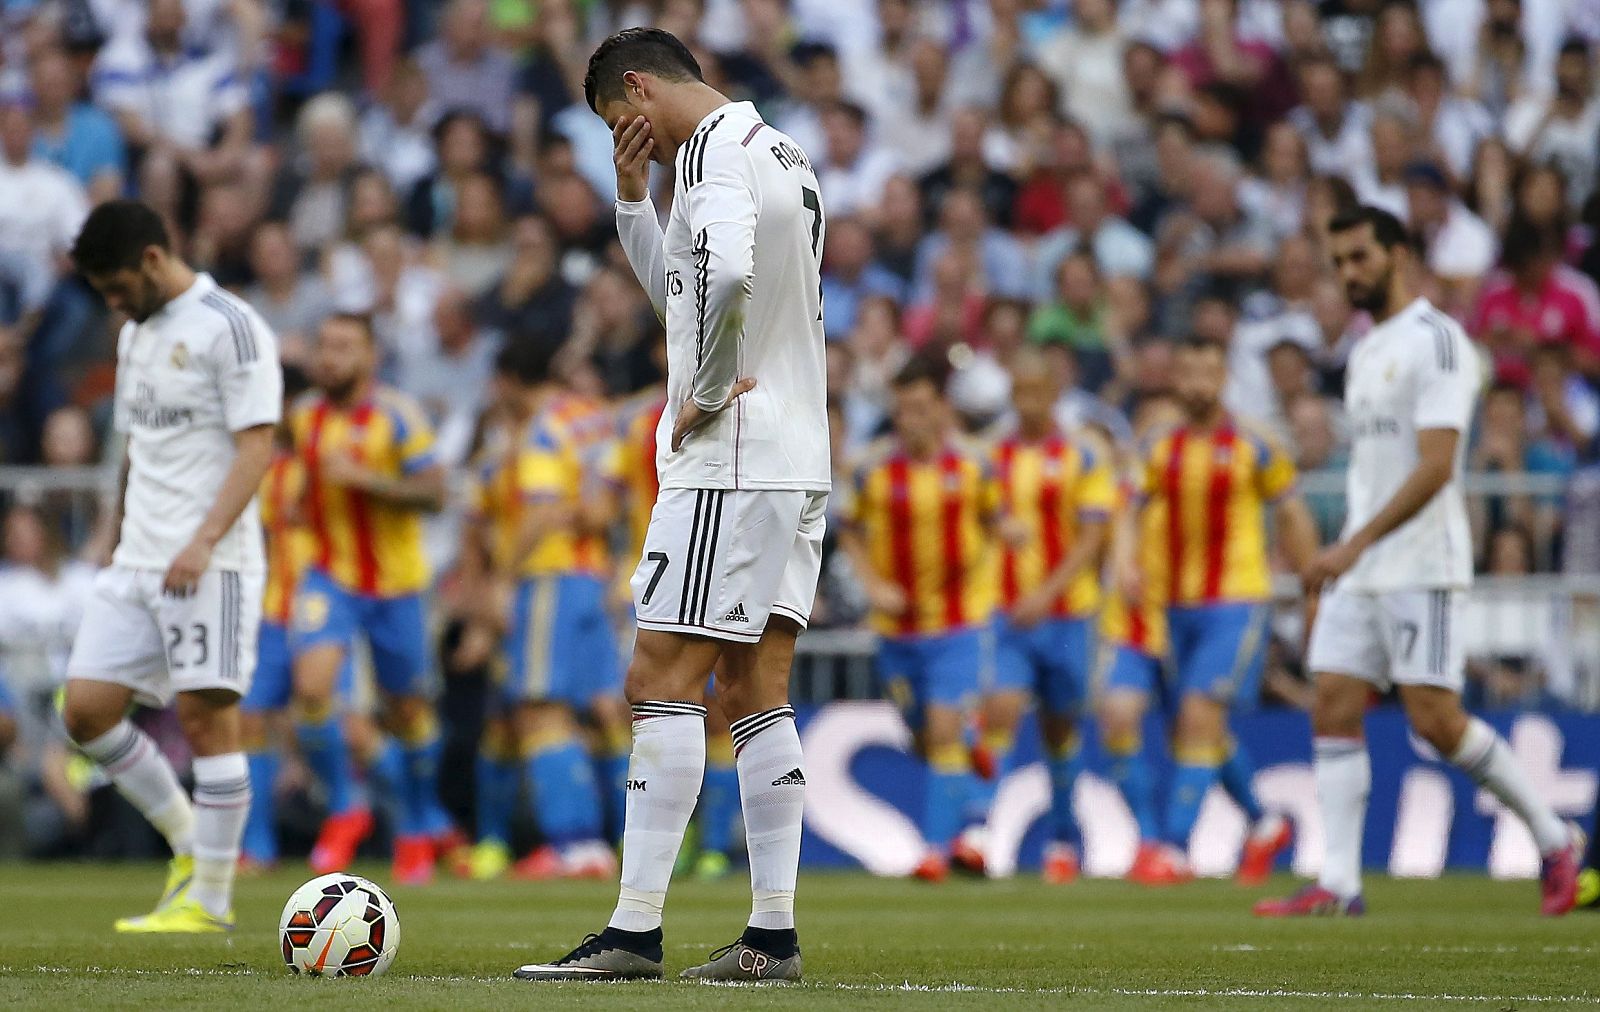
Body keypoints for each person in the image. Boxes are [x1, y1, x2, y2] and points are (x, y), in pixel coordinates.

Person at [513, 29, 828, 983]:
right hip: (796, 452)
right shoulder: (778, 150)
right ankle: (772, 935)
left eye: (621, 120)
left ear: (640, 88)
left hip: (728, 456)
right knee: (752, 688)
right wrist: (629, 201)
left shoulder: (716, 156)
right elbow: (682, 293)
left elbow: (723, 283)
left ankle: (633, 931)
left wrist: (703, 388)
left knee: (657, 673)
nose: (627, 135)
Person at [1256, 205, 1584, 918]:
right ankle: (1339, 884)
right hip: (1363, 566)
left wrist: (1353, 544)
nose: (1349, 273)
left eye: (1361, 258)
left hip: (1420, 564)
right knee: (1334, 705)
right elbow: (1372, 472)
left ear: (1398, 254)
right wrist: (1343, 559)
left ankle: (1556, 839)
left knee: (1435, 719)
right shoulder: (1367, 349)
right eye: (1339, 262)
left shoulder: (1439, 342)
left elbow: (1436, 467)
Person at [60, 200, 281, 932]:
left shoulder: (231, 326)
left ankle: (210, 902)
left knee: (206, 718)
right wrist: (113, 532)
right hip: (135, 560)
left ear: (153, 259)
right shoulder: (136, 335)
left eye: (117, 284)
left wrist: (202, 540)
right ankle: (190, 841)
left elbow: (257, 445)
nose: (112, 301)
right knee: (86, 713)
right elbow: (134, 446)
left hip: (208, 560)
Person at [1118, 336, 1315, 886]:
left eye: (1210, 370)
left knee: (1200, 716)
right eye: (1190, 371)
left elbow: (1292, 513)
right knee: (1195, 727)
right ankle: (1264, 821)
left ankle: (1177, 848)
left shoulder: (1256, 444)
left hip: (1237, 599)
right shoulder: (1157, 446)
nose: (1199, 382)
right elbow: (1128, 509)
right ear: (1177, 379)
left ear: (1224, 377)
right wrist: (1128, 562)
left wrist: (1312, 583)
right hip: (1173, 604)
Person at [288, 313, 450, 885]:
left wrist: (366, 481)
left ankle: (416, 824)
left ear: (369, 357)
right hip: (329, 576)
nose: (330, 356)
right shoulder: (303, 416)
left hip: (396, 584)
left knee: (407, 711)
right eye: (324, 344)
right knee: (311, 687)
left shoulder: (398, 417)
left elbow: (436, 495)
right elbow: (304, 483)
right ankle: (345, 805)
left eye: (344, 346)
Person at [458, 343, 620, 882]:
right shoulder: (592, 419)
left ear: (506, 379)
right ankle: (612, 845)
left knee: (539, 710)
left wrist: (502, 582)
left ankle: (576, 847)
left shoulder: (541, 431)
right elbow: (606, 504)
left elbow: (543, 510)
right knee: (596, 713)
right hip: (593, 578)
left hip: (548, 579)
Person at [842, 358, 993, 884]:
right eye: (903, 409)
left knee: (943, 729)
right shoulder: (871, 470)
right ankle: (972, 777)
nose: (912, 419)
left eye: (922, 408)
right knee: (926, 737)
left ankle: (935, 849)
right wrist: (873, 586)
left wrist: (999, 550)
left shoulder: (974, 467)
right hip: (897, 633)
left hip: (957, 625)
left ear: (942, 410)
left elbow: (999, 522)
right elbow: (849, 531)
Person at [972, 349, 1113, 885]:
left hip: (1068, 614)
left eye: (1037, 391)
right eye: (1020, 392)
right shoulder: (988, 456)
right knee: (1002, 710)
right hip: (1008, 613)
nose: (1028, 402)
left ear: (1054, 394)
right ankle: (979, 830)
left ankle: (1061, 839)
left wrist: (1048, 592)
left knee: (1060, 728)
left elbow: (1092, 537)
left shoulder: (1084, 454)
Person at [238, 366, 317, 872]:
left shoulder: (321, 461)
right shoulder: (265, 468)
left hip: (323, 608)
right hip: (274, 610)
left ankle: (412, 827)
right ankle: (258, 843)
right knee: (250, 719)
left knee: (345, 728)